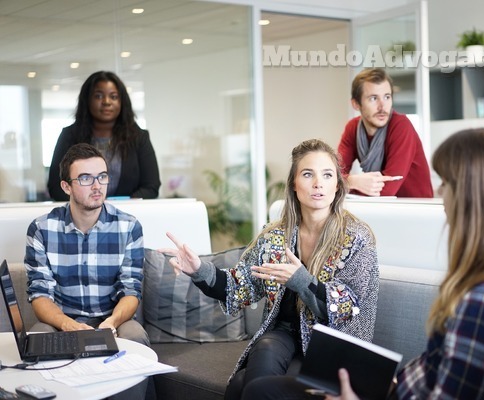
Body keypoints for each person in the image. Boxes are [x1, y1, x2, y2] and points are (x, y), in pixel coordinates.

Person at [251, 129, 484, 400]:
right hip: (395, 388)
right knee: (254, 385)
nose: (441, 193)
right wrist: (390, 382)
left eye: (446, 183)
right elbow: (438, 373)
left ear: (477, 197)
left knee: (259, 391)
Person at [160, 139, 379, 400]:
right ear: (294, 185)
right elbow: (238, 286)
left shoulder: (356, 237)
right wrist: (198, 269)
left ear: (337, 186)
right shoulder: (275, 236)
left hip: (332, 346)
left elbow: (345, 307)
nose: (318, 183)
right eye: (308, 174)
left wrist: (300, 280)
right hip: (284, 334)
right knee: (264, 348)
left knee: (243, 384)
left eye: (327, 175)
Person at [26, 143, 149, 347]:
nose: (97, 186)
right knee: (37, 337)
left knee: (135, 336)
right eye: (85, 178)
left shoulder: (129, 227)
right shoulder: (41, 229)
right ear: (66, 187)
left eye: (102, 176)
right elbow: (39, 295)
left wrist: (111, 322)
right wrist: (68, 324)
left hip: (114, 320)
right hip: (61, 321)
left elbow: (131, 290)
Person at [47, 70, 161, 201]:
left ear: (122, 102)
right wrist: (89, 205)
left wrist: (120, 207)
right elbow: (56, 188)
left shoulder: (139, 138)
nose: (107, 102)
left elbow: (151, 187)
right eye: (98, 96)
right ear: (87, 100)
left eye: (113, 96)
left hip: (127, 216)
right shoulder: (69, 136)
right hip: (81, 217)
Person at [337, 68, 433, 198]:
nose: (382, 106)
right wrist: (352, 181)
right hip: (380, 208)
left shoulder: (401, 126)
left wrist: (346, 184)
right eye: (373, 98)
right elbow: (333, 176)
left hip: (416, 210)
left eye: (387, 97)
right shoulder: (352, 128)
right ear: (356, 104)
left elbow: (387, 190)